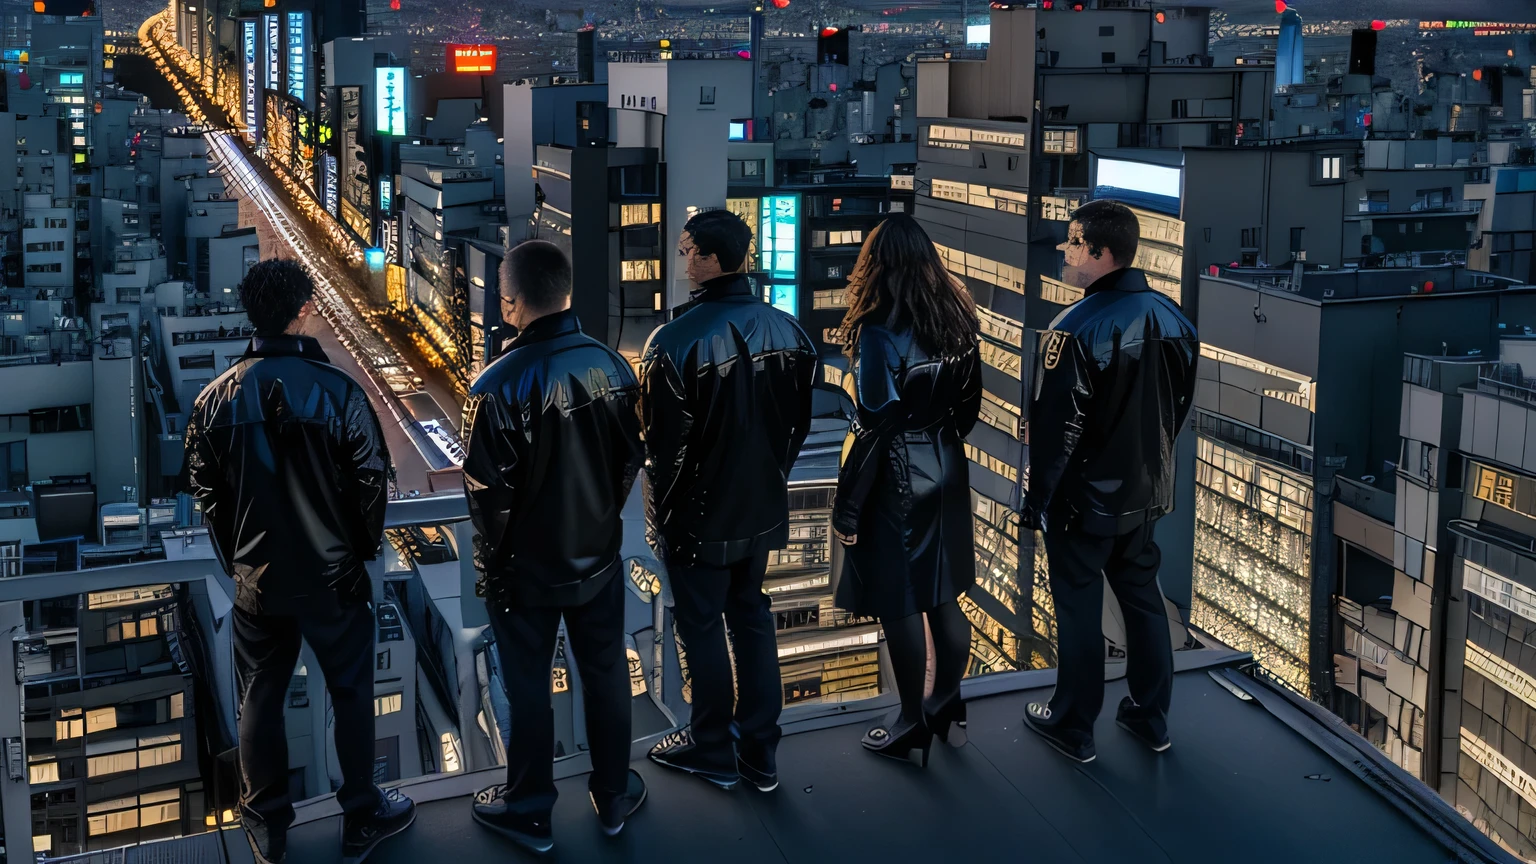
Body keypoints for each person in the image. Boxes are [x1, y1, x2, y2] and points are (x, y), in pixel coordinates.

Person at [182, 258, 415, 864]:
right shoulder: (339, 390)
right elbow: (371, 484)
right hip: (335, 575)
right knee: (351, 693)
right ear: (303, 309)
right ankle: (361, 815)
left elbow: (208, 497)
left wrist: (239, 560)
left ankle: (266, 824)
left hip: (256, 581)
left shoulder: (212, 403)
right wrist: (357, 551)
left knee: (260, 693)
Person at [462, 241, 648, 853]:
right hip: (597, 558)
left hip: (523, 570)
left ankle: (532, 810)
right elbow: (629, 462)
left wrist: (497, 558)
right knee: (605, 675)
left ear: (511, 302)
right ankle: (614, 794)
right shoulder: (613, 367)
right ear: (565, 292)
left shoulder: (495, 385)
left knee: (528, 688)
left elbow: (489, 498)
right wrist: (598, 520)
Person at [640, 209, 818, 791]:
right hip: (762, 507)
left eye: (689, 249)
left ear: (713, 260)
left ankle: (712, 743)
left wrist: (661, 517)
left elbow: (665, 450)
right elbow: (796, 430)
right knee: (752, 617)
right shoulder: (790, 332)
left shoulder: (673, 340)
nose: (683, 259)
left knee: (702, 626)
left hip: (697, 512)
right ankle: (760, 751)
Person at [1019, 200, 1199, 764]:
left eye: (1073, 244)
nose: (1064, 252)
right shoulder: (1176, 320)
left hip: (1082, 499)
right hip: (1146, 494)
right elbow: (1177, 410)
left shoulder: (1072, 329)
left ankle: (1073, 723)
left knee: (1077, 605)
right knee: (1143, 600)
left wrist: (1036, 503)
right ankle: (1152, 718)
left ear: (1099, 253)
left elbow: (1055, 433)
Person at [830, 215, 982, 767]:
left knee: (901, 601)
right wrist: (938, 440)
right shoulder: (957, 315)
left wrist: (846, 510)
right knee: (943, 594)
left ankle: (910, 723)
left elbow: (874, 424)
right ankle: (947, 705)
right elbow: (969, 408)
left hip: (895, 474)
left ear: (875, 263)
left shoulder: (877, 330)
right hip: (947, 462)